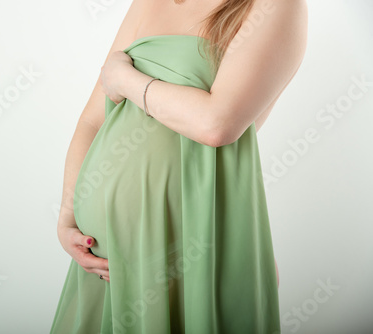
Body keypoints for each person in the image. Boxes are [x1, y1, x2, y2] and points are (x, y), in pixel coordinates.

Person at [51, 0, 307, 332]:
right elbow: (91, 121)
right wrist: (67, 217)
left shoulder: (274, 6)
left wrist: (124, 78)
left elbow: (216, 124)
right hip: (104, 260)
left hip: (192, 240)